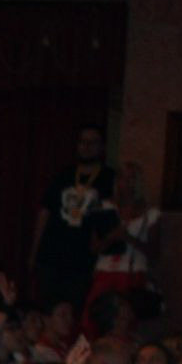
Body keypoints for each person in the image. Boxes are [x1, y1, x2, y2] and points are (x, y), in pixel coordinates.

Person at [29, 125, 113, 310]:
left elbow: (111, 220)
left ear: (102, 147)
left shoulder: (109, 178)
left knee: (73, 311)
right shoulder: (64, 174)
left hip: (83, 260)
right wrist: (35, 253)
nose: (87, 146)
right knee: (46, 309)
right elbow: (45, 212)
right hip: (52, 255)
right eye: (83, 142)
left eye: (92, 142)